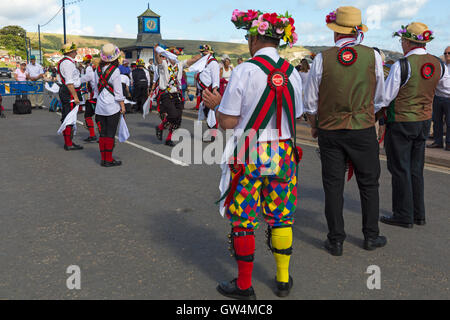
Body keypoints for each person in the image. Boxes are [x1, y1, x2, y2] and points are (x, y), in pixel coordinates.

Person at [203, 9, 303, 300]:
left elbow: (228, 122)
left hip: (251, 150)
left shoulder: (245, 70)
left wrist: (217, 106)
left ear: (257, 37)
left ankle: (245, 286)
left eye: (248, 36)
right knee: (282, 215)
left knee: (244, 217)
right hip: (284, 150)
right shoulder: (292, 71)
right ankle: (283, 279)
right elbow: (295, 114)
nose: (248, 42)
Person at [304, 6, 387, 256]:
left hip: (331, 130)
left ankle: (336, 239)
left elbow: (309, 102)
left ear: (335, 32)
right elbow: (381, 98)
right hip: (362, 128)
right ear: (358, 31)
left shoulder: (321, 58)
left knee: (333, 185)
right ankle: (370, 236)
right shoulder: (373, 56)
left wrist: (315, 126)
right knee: (369, 183)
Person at [381, 23, 444, 228]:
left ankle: (403, 215)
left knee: (400, 168)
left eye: (402, 41)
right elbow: (442, 88)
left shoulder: (402, 65)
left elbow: (386, 97)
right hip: (424, 121)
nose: (401, 44)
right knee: (416, 168)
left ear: (408, 41)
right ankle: (419, 214)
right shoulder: (438, 64)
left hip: (401, 121)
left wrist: (375, 114)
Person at [154, 45, 202, 147]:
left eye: (177, 55)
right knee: (173, 114)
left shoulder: (180, 64)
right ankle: (160, 127)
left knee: (178, 118)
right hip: (166, 93)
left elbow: (193, 59)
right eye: (174, 54)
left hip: (176, 93)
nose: (176, 56)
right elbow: (157, 58)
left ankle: (169, 139)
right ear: (168, 55)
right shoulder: (163, 64)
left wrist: (204, 54)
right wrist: (156, 50)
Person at [94, 43, 126, 167]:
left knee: (102, 133)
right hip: (112, 107)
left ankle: (103, 159)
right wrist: (122, 107)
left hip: (100, 106)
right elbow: (118, 93)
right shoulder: (116, 71)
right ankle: (108, 159)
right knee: (110, 133)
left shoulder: (97, 70)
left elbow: (96, 89)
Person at [57, 43, 83, 151]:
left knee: (70, 117)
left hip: (69, 91)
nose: (76, 52)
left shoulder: (66, 62)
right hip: (70, 92)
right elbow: (69, 82)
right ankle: (68, 143)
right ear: (70, 52)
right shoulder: (68, 63)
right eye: (75, 51)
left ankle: (69, 142)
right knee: (69, 117)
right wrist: (76, 97)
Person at [196, 44, 220, 142]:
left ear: (210, 52)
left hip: (210, 90)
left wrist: (214, 90)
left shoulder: (213, 63)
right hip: (204, 91)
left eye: (205, 52)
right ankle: (212, 134)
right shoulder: (203, 63)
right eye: (202, 52)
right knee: (207, 112)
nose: (203, 54)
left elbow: (215, 78)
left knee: (211, 113)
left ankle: (213, 135)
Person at [427, 46, 450, 151]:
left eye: (449, 53)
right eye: (445, 53)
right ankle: (438, 142)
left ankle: (449, 143)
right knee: (437, 121)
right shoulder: (441, 66)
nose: (446, 55)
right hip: (438, 97)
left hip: (448, 98)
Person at [80, 55, 98, 142]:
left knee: (88, 115)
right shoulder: (97, 71)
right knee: (98, 116)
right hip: (98, 96)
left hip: (94, 96)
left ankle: (92, 135)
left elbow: (82, 80)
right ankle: (101, 135)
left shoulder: (89, 71)